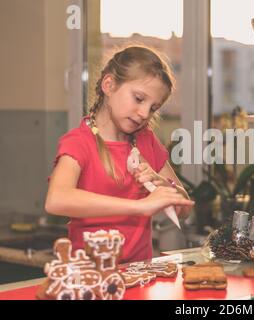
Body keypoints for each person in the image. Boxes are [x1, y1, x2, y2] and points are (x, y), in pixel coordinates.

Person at [45, 46, 195, 263]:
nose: (144, 113)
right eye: (138, 98)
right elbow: (56, 200)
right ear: (109, 85)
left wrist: (161, 183)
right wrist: (140, 207)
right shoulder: (79, 142)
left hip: (139, 274)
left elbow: (184, 209)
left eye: (153, 108)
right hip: (91, 278)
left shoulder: (146, 140)